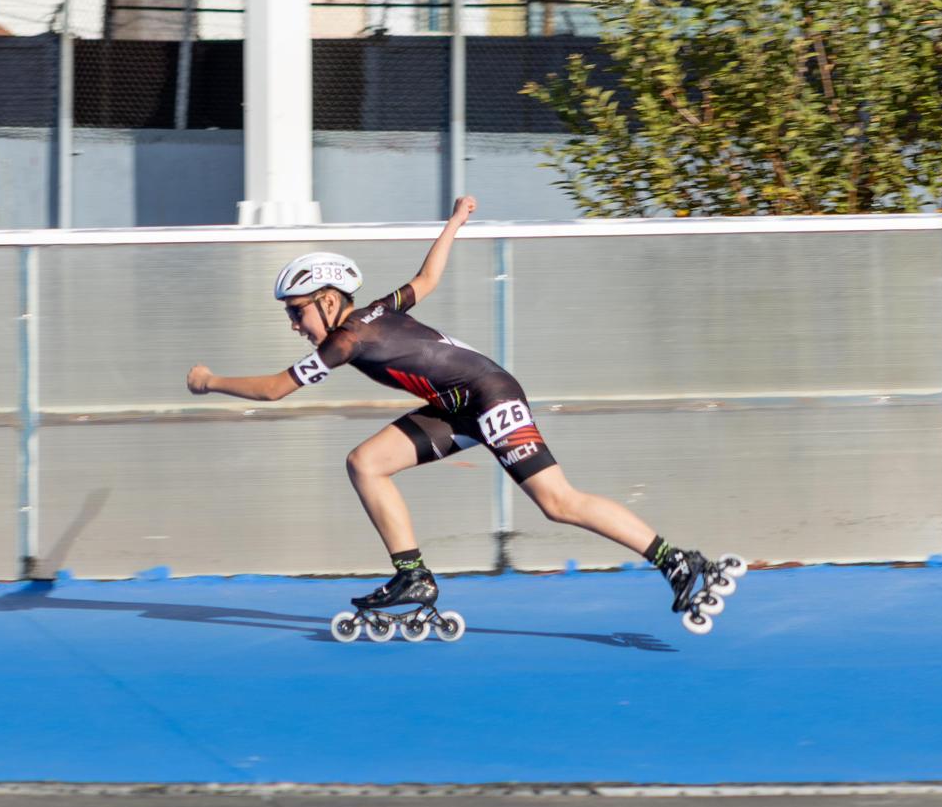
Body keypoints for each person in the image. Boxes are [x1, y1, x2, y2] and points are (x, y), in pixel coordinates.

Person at [186, 196, 741, 634]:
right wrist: (455, 222)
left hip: (489, 395)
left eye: (296, 311)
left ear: (329, 300)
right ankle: (414, 577)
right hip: (456, 403)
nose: (293, 324)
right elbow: (425, 281)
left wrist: (211, 382)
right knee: (366, 462)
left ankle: (678, 561)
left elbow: (278, 389)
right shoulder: (375, 310)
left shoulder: (348, 339)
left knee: (557, 502)